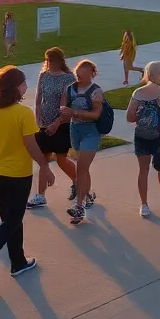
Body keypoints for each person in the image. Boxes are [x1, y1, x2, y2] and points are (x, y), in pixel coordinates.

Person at [0, 66, 55, 288]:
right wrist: (45, 166)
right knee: (14, 219)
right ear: (17, 87)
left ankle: (18, 261)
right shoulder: (23, 113)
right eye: (24, 82)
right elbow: (31, 145)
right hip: (17, 173)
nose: (27, 85)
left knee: (10, 219)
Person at [27, 48, 79, 209]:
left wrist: (57, 122)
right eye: (46, 60)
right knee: (43, 159)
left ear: (59, 60)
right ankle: (40, 196)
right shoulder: (44, 75)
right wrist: (38, 118)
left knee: (61, 158)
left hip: (61, 124)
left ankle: (81, 184)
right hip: (44, 123)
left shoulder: (69, 78)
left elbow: (66, 105)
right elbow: (38, 98)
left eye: (51, 60)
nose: (48, 63)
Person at [126, 61, 160, 217]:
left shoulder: (138, 93)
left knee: (143, 170)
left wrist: (142, 118)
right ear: (159, 74)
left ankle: (144, 205)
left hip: (141, 135)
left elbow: (129, 117)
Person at [60, 59, 104, 225]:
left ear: (91, 74)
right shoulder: (71, 88)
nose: (78, 76)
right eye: (77, 73)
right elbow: (64, 107)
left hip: (90, 132)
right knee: (83, 168)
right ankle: (87, 196)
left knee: (81, 169)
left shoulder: (96, 91)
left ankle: (79, 207)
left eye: (82, 74)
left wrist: (75, 112)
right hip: (75, 130)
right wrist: (63, 112)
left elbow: (96, 114)